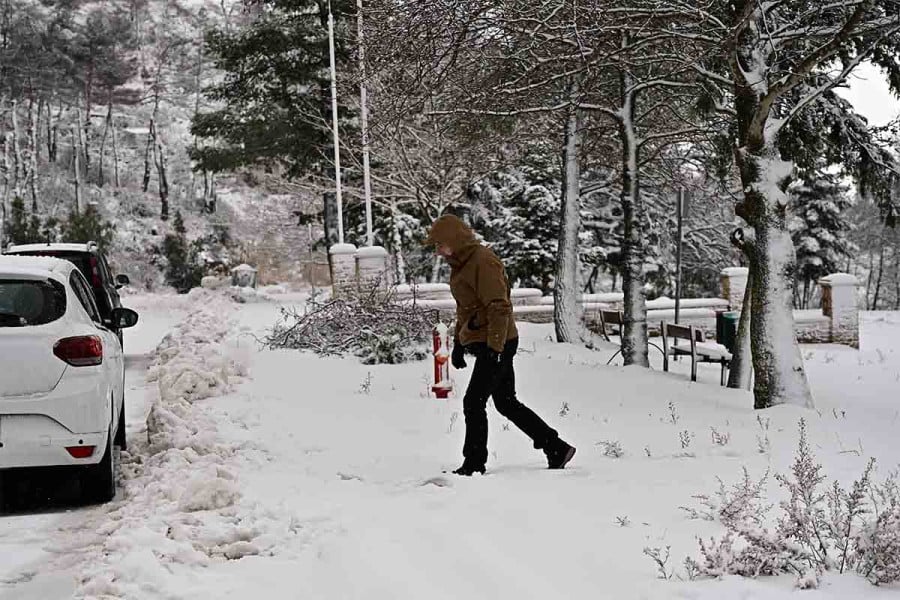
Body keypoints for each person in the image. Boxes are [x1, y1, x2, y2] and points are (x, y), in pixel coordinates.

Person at [424, 214, 576, 476]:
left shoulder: (483, 261)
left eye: (440, 244)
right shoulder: (460, 265)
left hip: (498, 341)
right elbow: (466, 308)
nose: (437, 250)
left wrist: (495, 350)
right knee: (506, 402)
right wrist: (460, 342)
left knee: (474, 402)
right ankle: (556, 447)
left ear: (454, 240)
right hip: (486, 341)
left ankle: (474, 463)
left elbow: (499, 307)